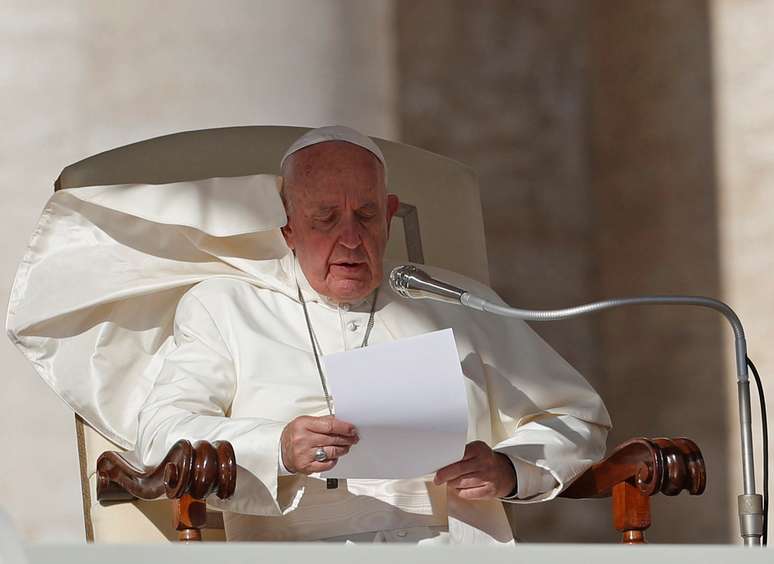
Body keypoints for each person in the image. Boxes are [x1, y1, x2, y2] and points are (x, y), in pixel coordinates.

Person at [134, 126, 611, 544]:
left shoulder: (455, 302)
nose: (350, 239)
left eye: (364, 215)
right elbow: (160, 435)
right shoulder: (227, 308)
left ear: (388, 214)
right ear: (288, 226)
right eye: (325, 218)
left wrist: (509, 469)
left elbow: (577, 418)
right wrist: (277, 447)